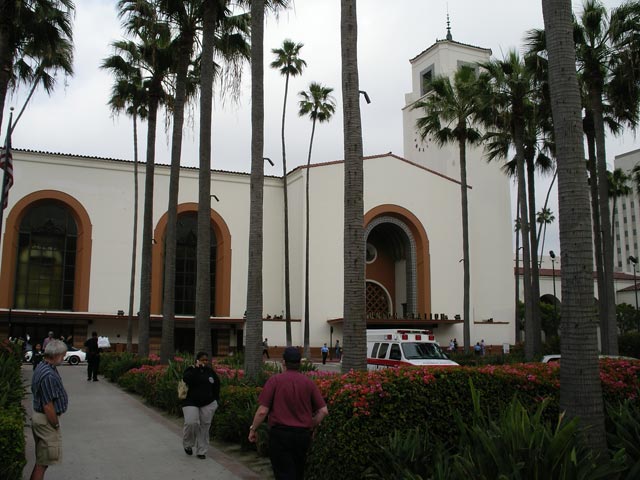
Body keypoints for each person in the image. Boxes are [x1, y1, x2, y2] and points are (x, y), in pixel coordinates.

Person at [248, 346, 329, 480]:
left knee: (283, 473)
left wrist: (253, 429)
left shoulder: (275, 381)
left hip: (280, 435)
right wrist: (311, 424)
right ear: (300, 363)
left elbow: (263, 411)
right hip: (302, 436)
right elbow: (323, 411)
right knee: (298, 472)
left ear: (284, 362)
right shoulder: (309, 383)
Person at [30, 339, 68, 480]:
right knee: (43, 462)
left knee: (42, 459)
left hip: (41, 419)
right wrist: (55, 424)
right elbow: (48, 405)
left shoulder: (43, 366)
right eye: (62, 356)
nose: (63, 358)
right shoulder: (48, 375)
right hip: (46, 421)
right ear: (56, 355)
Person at [182, 352, 220, 459]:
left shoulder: (210, 371)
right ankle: (188, 444)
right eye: (202, 360)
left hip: (208, 403)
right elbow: (186, 379)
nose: (205, 362)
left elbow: (217, 385)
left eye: (206, 360)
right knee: (191, 423)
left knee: (205, 426)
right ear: (197, 360)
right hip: (190, 402)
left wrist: (216, 400)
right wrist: (196, 369)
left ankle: (201, 451)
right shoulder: (191, 369)